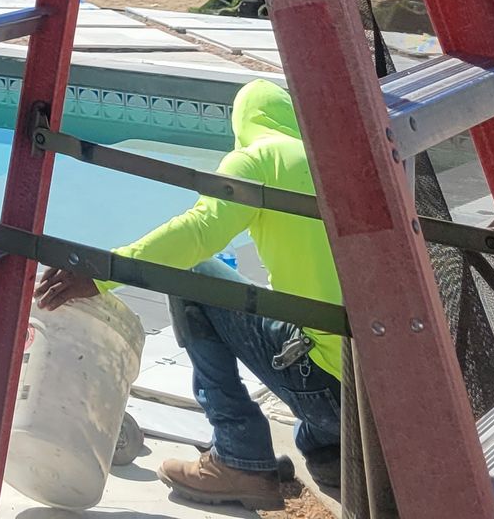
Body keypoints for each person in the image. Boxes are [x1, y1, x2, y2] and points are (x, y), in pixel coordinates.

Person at [37, 78, 342, 511]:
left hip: (326, 389)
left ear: (243, 125)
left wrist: (104, 271)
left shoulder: (258, 158)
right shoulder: (331, 162)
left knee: (194, 278)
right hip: (370, 393)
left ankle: (239, 459)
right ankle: (331, 455)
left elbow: (199, 233)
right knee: (311, 401)